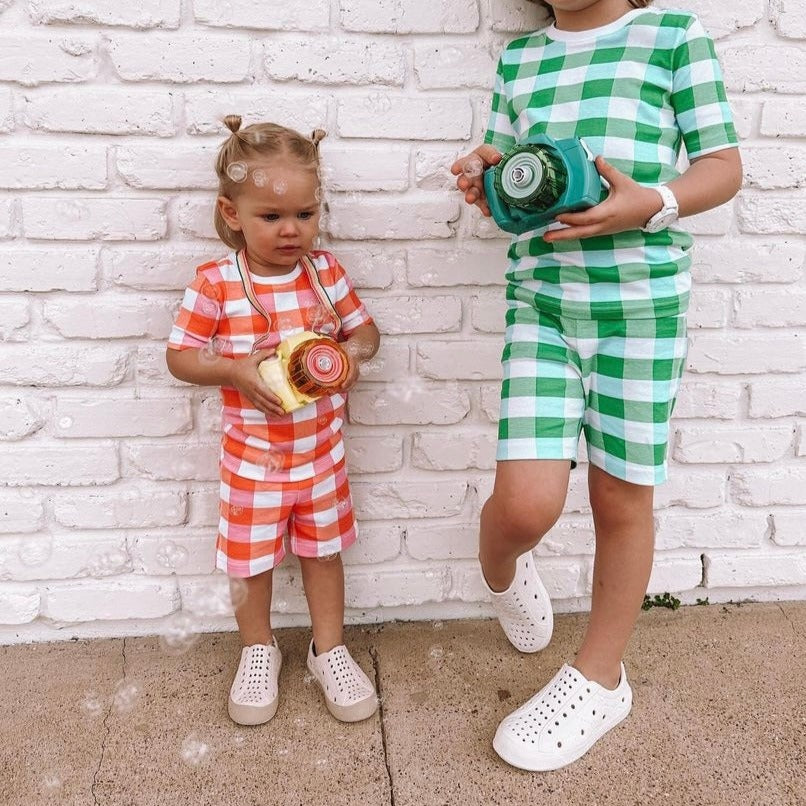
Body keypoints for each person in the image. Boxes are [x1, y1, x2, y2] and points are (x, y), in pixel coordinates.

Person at [451, 0, 742, 771]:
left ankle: (600, 678)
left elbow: (723, 166)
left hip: (643, 310)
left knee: (621, 498)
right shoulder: (520, 61)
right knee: (522, 505)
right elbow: (516, 187)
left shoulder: (673, 36)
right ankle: (501, 570)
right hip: (544, 306)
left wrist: (652, 203)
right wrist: (489, 184)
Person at [166, 116, 381, 726]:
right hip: (252, 463)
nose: (293, 231)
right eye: (272, 217)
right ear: (231, 214)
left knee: (324, 553)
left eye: (306, 215)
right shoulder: (216, 283)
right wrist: (234, 371)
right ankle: (257, 649)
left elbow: (363, 331)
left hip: (322, 458)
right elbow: (180, 356)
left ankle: (328, 649)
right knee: (251, 560)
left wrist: (353, 358)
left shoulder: (325, 274)